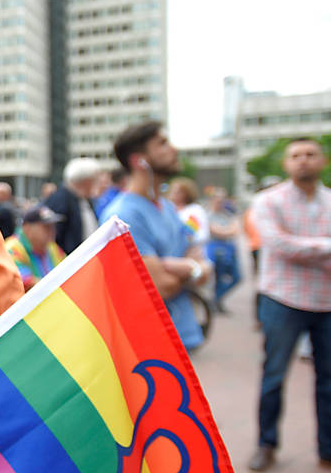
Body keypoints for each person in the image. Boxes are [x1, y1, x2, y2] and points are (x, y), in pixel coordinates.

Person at [247, 137, 331, 473]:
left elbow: (293, 248)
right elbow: (278, 245)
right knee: (274, 375)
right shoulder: (268, 200)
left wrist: (306, 249)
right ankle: (266, 444)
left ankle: (327, 448)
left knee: (328, 380)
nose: (303, 160)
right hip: (283, 299)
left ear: (322, 160)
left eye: (310, 154)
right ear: (286, 163)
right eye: (296, 155)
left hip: (326, 303)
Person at [101, 121, 213, 351]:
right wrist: (193, 269)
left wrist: (190, 268)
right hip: (150, 346)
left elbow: (202, 263)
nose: (174, 149)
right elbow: (160, 286)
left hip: (181, 333)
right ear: (139, 161)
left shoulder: (168, 207)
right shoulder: (122, 215)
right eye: (162, 144)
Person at [44, 157, 101, 254]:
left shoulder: (85, 200)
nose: (97, 184)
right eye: (94, 180)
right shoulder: (61, 200)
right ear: (86, 181)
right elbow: (55, 236)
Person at [4, 205, 66, 291]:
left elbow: (69, 271)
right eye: (46, 227)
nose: (52, 231)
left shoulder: (52, 247)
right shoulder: (12, 249)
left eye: (53, 226)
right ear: (27, 228)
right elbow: (23, 282)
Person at [205, 188, 241, 314]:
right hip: (216, 251)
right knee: (218, 278)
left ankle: (215, 299)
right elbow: (214, 231)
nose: (220, 202)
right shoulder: (207, 215)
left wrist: (223, 231)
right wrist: (226, 231)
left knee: (237, 277)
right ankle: (217, 302)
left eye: (222, 200)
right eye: (217, 200)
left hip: (229, 251)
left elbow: (235, 230)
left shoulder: (228, 214)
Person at [167, 176, 209, 249]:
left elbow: (199, 235)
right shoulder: (167, 208)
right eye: (172, 190)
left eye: (178, 192)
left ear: (187, 193)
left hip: (192, 252)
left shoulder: (194, 210)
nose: (173, 194)